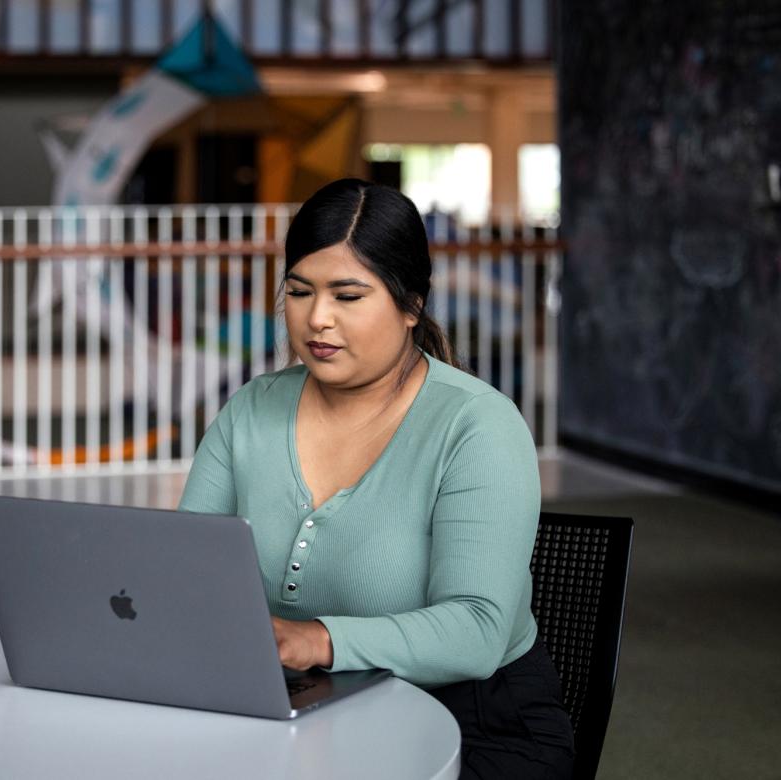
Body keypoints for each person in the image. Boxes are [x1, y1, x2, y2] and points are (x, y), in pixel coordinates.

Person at [178, 178, 574, 779]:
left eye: (348, 295)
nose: (318, 319)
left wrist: (317, 639)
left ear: (411, 305)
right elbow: (184, 569)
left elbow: (476, 630)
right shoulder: (252, 409)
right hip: (300, 705)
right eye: (300, 291)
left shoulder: (477, 424)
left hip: (473, 725)